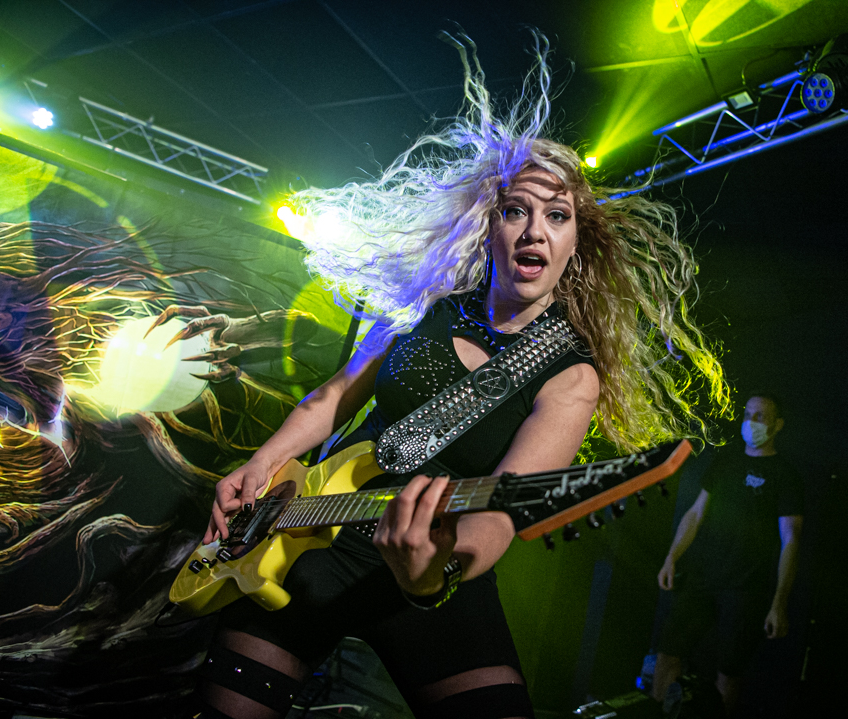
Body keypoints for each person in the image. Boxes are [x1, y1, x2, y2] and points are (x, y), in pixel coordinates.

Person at [190, 34, 728, 719]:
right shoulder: (424, 305)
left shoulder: (570, 376)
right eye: (516, 210)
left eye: (556, 216)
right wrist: (261, 464)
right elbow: (333, 397)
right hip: (311, 535)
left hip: (437, 563)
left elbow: (498, 513)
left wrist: (432, 574)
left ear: (574, 243)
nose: (534, 230)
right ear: (489, 226)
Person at [653, 393, 803, 717]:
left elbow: (790, 539)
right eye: (748, 414)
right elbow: (696, 513)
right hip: (702, 576)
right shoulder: (726, 461)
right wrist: (671, 557)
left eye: (760, 416)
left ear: (777, 425)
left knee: (729, 669)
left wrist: (779, 602)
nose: (751, 422)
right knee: (668, 650)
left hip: (746, 588)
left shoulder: (785, 474)